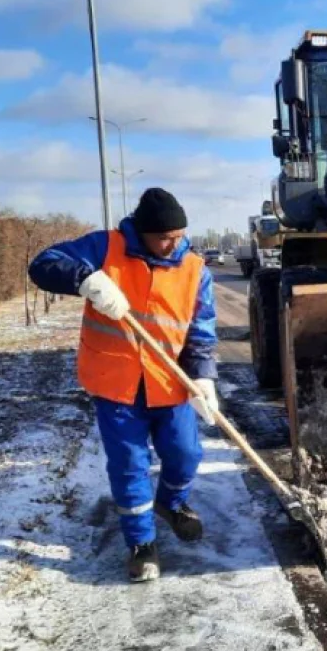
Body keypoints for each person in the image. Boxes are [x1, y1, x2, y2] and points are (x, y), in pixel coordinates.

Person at [28, 188, 220, 582]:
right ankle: (141, 544)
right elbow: (43, 265)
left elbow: (200, 331)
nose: (173, 244)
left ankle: (171, 503)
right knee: (131, 466)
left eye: (179, 235)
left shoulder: (195, 268)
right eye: (164, 237)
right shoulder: (104, 248)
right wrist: (86, 280)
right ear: (143, 233)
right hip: (117, 384)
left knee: (185, 454)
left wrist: (202, 376)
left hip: (169, 382)